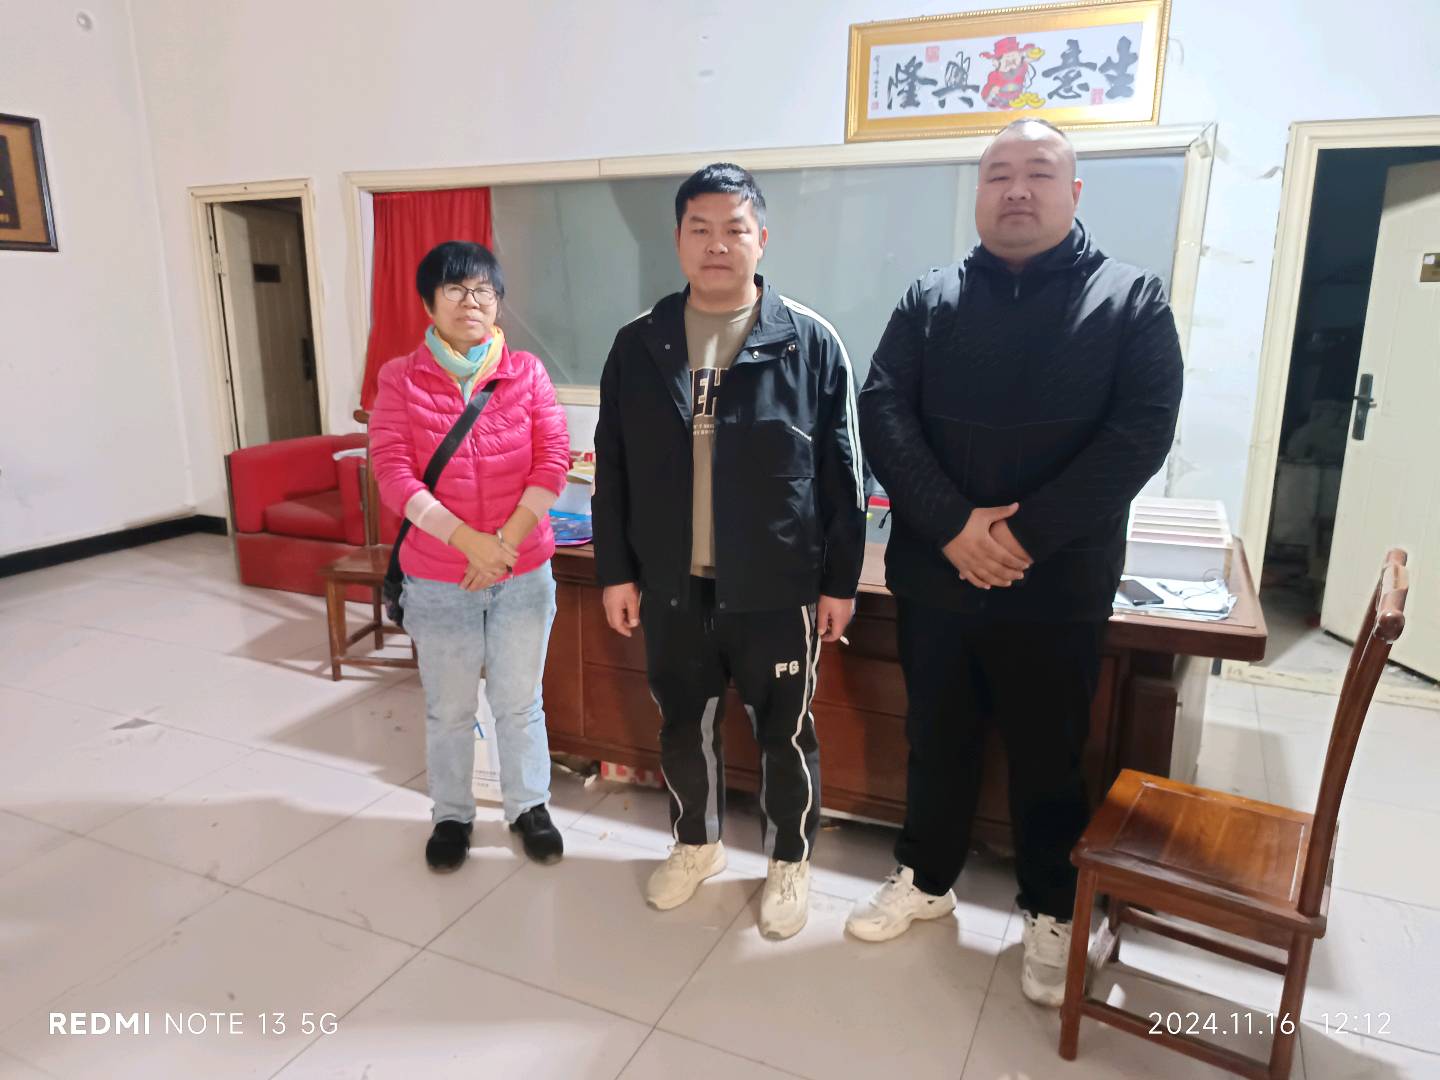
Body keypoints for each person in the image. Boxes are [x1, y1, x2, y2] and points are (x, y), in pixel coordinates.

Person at [849, 119, 1183, 1005]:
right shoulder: (930, 298)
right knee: (936, 736)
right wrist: (954, 526)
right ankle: (926, 878)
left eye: (1039, 172)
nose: (1017, 190)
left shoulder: (1131, 300)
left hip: (1058, 581)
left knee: (1049, 752)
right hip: (937, 573)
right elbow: (883, 410)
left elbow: (1139, 435)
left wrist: (1023, 538)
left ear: (1075, 192)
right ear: (980, 193)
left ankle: (1051, 907)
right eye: (999, 174)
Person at [592, 163, 867, 939]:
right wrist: (616, 571)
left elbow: (845, 474)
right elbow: (612, 467)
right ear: (678, 239)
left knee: (786, 732)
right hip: (673, 584)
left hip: (778, 586)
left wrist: (840, 581)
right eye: (700, 229)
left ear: (761, 238)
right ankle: (697, 844)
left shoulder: (809, 342)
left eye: (734, 229)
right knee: (683, 724)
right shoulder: (639, 345)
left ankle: (789, 860)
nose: (718, 244)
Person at [369, 240, 571, 872]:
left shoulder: (527, 373)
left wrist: (502, 545)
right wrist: (468, 542)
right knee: (449, 708)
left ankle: (528, 806)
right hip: (439, 576)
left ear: (498, 301)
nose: (470, 301)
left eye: (483, 289)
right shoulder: (399, 378)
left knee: (520, 701)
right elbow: (394, 474)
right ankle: (452, 815)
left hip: (522, 571)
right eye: (454, 289)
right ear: (429, 304)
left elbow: (553, 461)